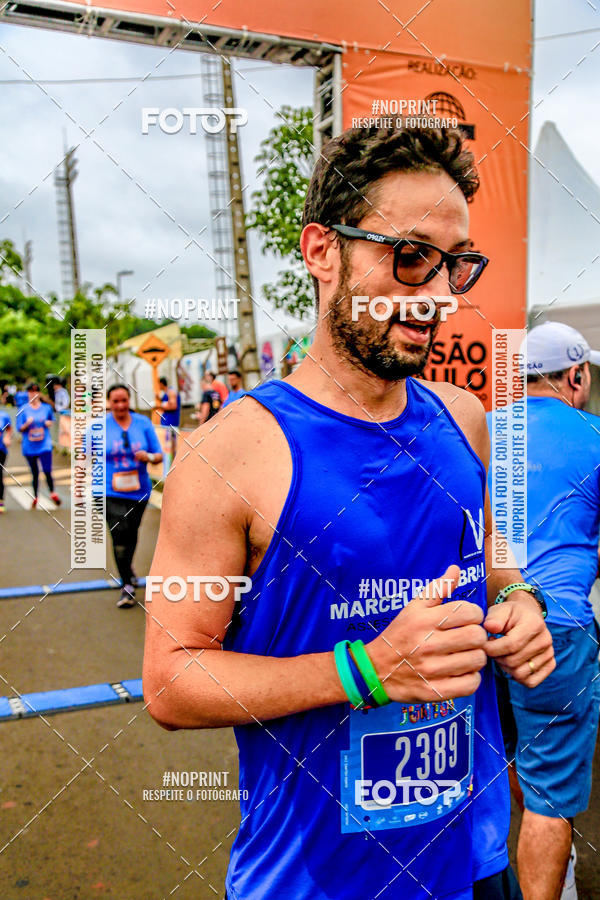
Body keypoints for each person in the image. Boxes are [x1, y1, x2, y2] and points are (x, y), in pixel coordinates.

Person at [144, 127, 554, 900]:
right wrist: (367, 670)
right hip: (316, 878)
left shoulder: (466, 417)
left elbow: (496, 556)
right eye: (408, 257)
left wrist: (517, 600)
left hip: (474, 855)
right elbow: (170, 683)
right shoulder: (226, 453)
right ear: (322, 251)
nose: (437, 296)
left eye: (455, 264)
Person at [488, 321, 600, 900]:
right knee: (550, 800)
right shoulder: (595, 434)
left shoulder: (478, 430)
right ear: (575, 375)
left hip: (476, 623)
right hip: (556, 629)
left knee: (510, 755)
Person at [104, 384, 163, 608]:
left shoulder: (143, 423)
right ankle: (127, 584)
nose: (120, 405)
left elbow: (158, 455)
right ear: (109, 403)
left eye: (124, 400)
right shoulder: (100, 426)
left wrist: (147, 456)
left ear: (129, 401)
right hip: (109, 490)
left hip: (139, 490)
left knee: (130, 534)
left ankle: (127, 571)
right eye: (115, 401)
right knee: (119, 533)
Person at [16, 382, 60, 508]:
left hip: (44, 444)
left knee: (47, 470)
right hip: (29, 446)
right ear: (28, 393)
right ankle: (36, 496)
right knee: (35, 472)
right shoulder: (23, 409)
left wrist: (48, 423)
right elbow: (19, 428)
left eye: (36, 391)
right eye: (31, 391)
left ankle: (52, 493)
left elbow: (52, 420)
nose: (33, 394)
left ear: (39, 393)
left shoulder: (46, 408)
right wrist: (27, 424)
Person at [0, 408, 11, 513]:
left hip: (1, 450)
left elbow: (9, 428)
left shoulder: (3, 415)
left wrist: (7, 437)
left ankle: (1, 501)